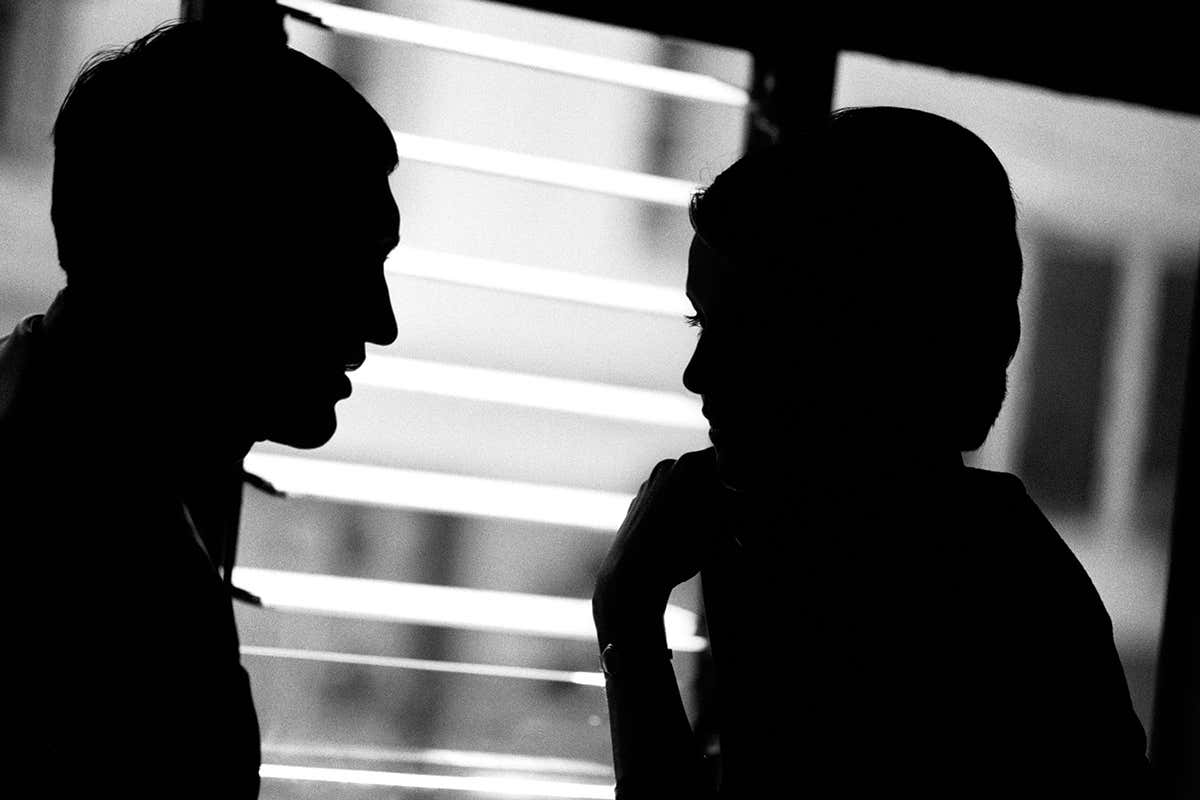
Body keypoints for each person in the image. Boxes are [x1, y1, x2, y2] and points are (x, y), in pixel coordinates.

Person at [593, 107, 1150, 798]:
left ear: (857, 348)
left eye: (746, 330)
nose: (698, 374)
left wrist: (627, 613)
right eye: (700, 322)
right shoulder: (805, 552)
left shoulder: (965, 606)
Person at [0, 20, 399, 797]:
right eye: (346, 262)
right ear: (218, 254)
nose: (380, 322)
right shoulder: (102, 575)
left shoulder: (62, 457)